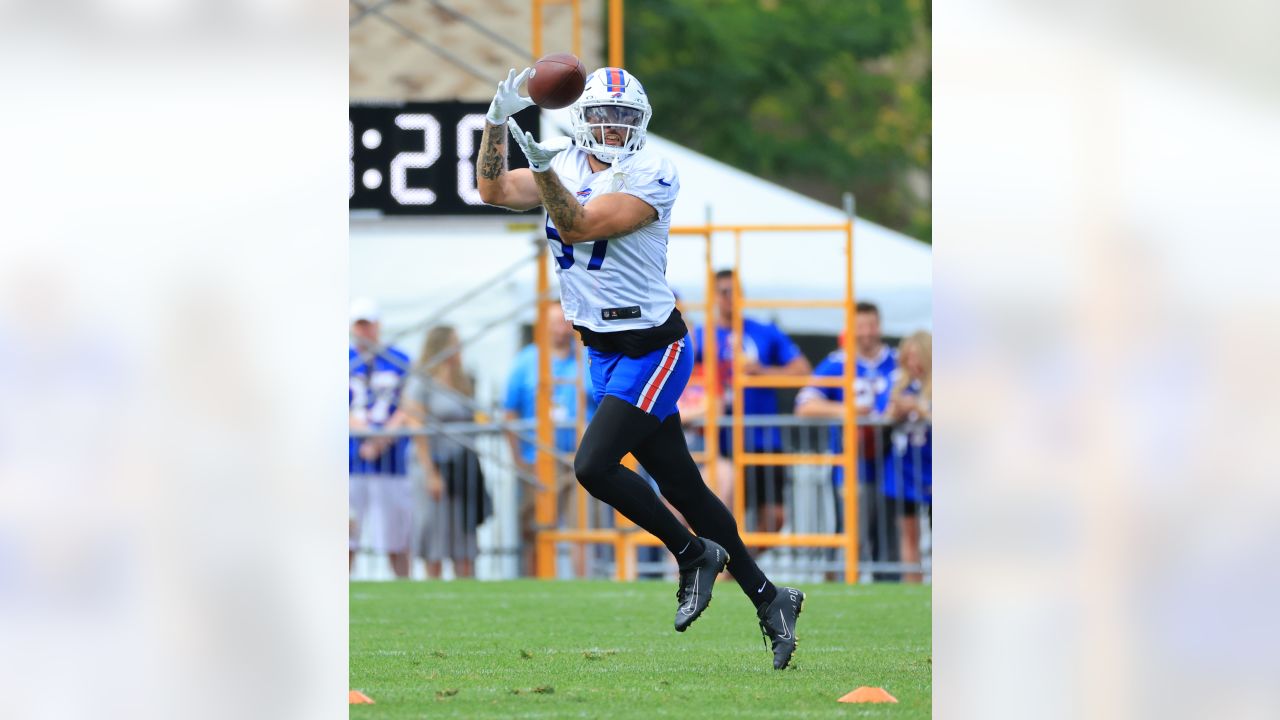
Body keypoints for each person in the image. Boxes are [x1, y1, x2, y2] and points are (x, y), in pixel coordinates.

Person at [476, 65, 804, 668]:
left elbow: (577, 226)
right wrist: (497, 123)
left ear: (641, 124)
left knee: (594, 466)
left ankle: (691, 554)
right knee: (682, 485)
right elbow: (492, 190)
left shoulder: (653, 170)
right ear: (581, 117)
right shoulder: (567, 163)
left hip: (654, 344)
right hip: (602, 348)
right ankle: (770, 597)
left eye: (625, 117)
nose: (612, 125)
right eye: (602, 114)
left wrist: (545, 168)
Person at [694, 269, 812, 535]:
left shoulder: (764, 331)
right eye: (724, 292)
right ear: (714, 297)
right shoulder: (701, 336)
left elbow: (802, 369)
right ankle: (728, 567)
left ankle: (738, 569)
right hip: (721, 441)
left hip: (764, 438)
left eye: (735, 291)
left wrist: (763, 372)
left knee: (775, 517)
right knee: (723, 513)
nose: (730, 298)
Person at [795, 302, 899, 575]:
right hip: (851, 466)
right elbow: (804, 405)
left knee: (891, 536)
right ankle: (841, 583)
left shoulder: (897, 361)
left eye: (871, 325)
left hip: (896, 465)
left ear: (880, 327)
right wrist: (848, 411)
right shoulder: (837, 363)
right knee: (853, 533)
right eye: (860, 326)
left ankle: (888, 588)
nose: (867, 332)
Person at [503, 303, 597, 577]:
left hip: (580, 459)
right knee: (540, 529)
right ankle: (539, 583)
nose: (562, 327)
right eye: (556, 321)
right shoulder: (525, 361)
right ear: (543, 326)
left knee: (582, 529)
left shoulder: (587, 358)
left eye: (566, 321)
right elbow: (509, 413)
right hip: (540, 460)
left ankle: (584, 586)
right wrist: (520, 461)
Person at [400, 326, 492, 579]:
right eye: (454, 343)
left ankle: (466, 587)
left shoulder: (464, 379)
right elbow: (417, 429)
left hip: (462, 466)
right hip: (434, 465)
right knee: (435, 534)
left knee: (463, 533)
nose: (459, 349)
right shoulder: (421, 381)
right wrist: (431, 473)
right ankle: (434, 585)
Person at [348, 298, 414, 579]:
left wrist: (382, 436)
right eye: (359, 325)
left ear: (377, 326)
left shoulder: (399, 359)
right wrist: (361, 433)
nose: (364, 331)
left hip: (391, 460)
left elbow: (409, 403)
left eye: (368, 325)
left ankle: (404, 589)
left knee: (396, 535)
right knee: (346, 532)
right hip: (351, 460)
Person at [884, 331, 932, 583]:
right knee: (908, 533)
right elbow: (882, 415)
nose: (913, 362)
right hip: (904, 468)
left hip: (933, 465)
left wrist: (918, 408)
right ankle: (913, 588)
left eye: (918, 356)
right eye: (909, 356)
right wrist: (896, 412)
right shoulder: (897, 382)